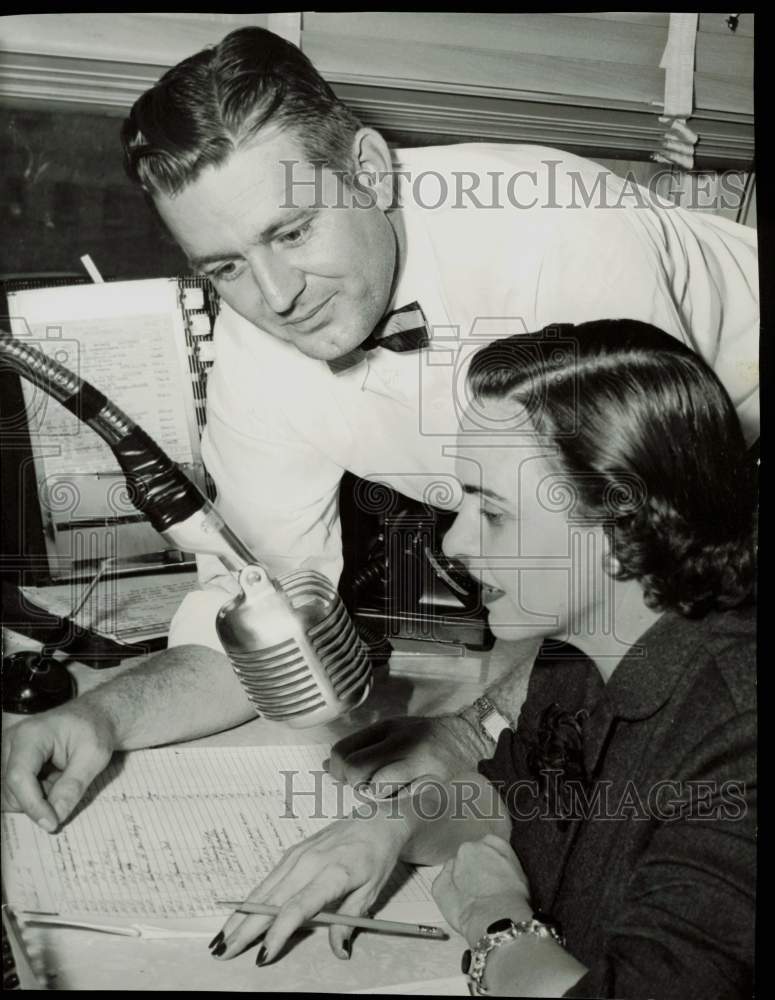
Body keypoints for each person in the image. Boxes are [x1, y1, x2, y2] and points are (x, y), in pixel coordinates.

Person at [1, 26, 759, 828]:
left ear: (366, 168)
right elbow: (261, 611)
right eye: (224, 268)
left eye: (291, 232)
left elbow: (616, 579)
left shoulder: (554, 236)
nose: (277, 295)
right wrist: (102, 719)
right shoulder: (255, 354)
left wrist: (473, 732)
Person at [207, 320, 756, 999]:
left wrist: (497, 924)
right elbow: (512, 794)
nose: (455, 542)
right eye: (460, 501)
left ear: (623, 528)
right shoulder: (577, 656)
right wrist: (388, 825)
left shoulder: (737, 732)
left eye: (492, 512)